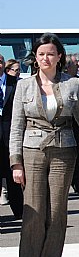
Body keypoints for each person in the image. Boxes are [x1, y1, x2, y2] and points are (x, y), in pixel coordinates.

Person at [9, 33, 79, 257]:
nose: (45, 58)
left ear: (59, 56)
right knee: (34, 213)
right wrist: (15, 162)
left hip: (64, 150)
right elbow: (16, 126)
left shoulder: (73, 84)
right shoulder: (24, 86)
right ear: (35, 57)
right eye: (41, 54)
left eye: (50, 53)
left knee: (57, 213)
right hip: (32, 151)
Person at [0, 54, 24, 221]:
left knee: (13, 175)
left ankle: (21, 213)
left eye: (0, 61)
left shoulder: (15, 82)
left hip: (10, 135)